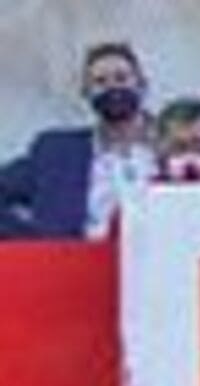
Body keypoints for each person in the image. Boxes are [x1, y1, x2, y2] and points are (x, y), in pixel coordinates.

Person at [0, 41, 158, 239]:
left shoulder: (176, 145)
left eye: (121, 78)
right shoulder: (56, 154)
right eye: (100, 82)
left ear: (142, 84)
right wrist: (33, 240)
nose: (112, 87)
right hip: (79, 264)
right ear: (86, 93)